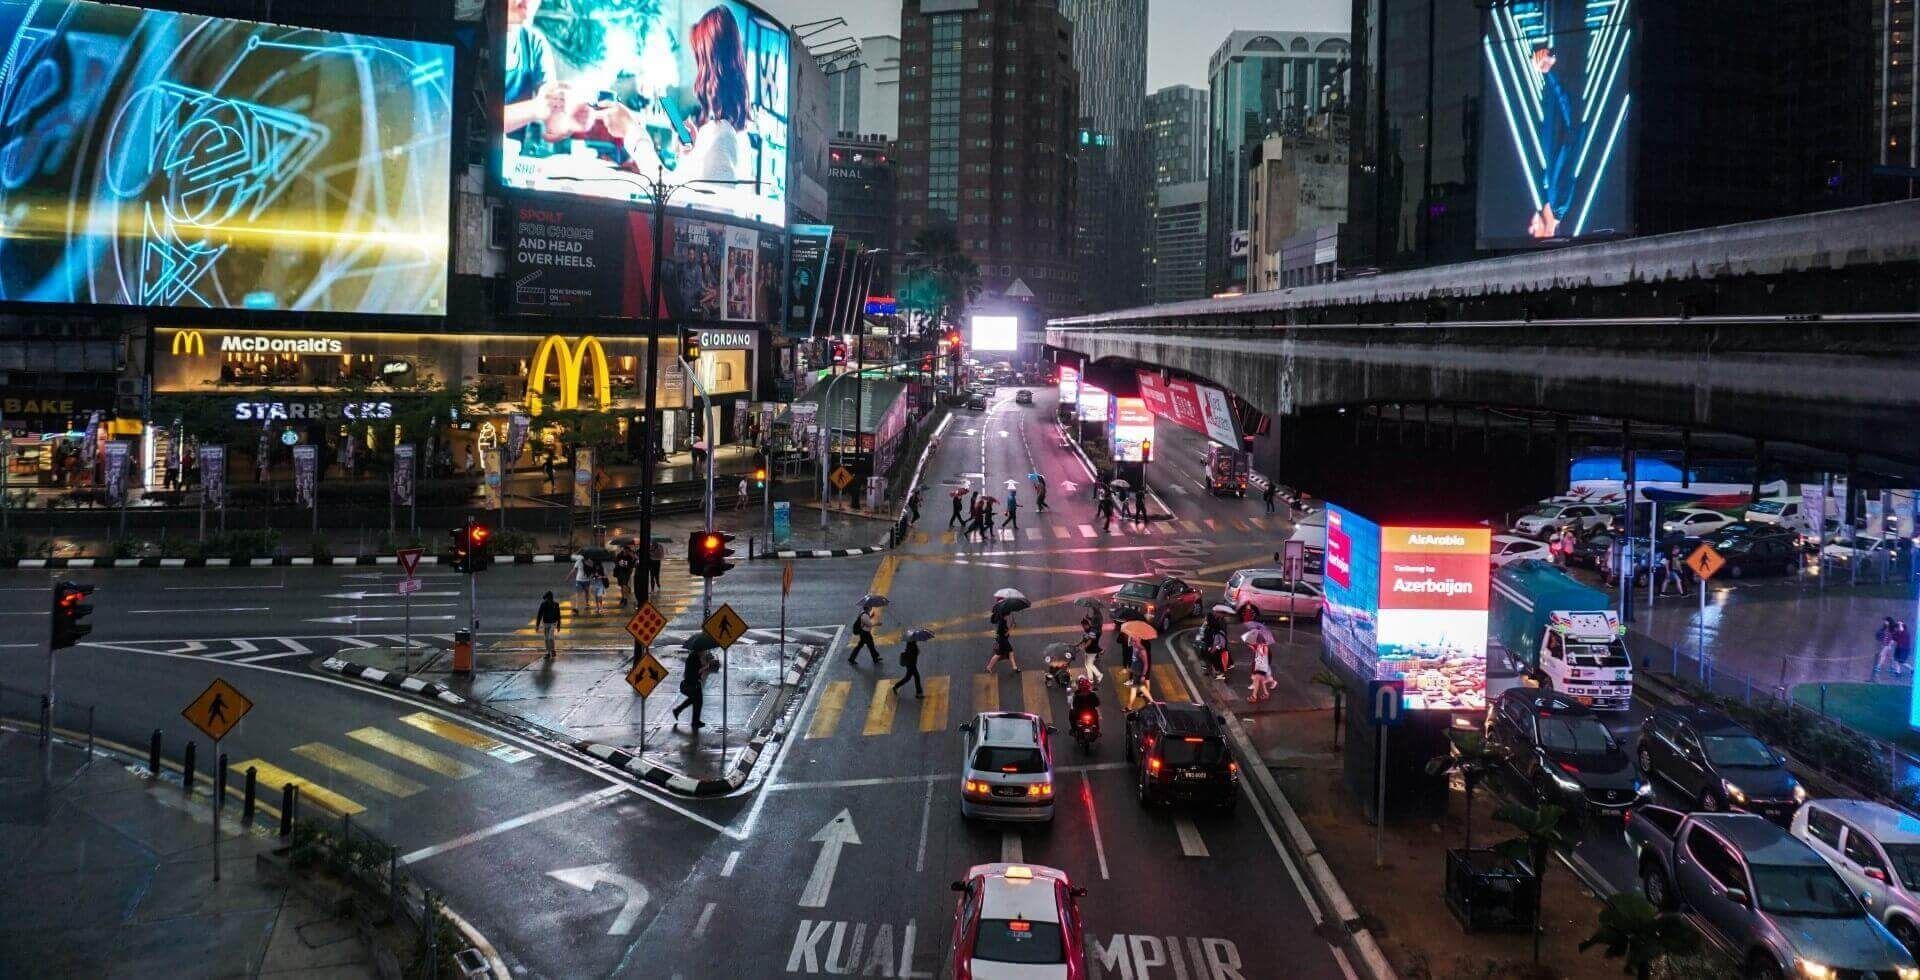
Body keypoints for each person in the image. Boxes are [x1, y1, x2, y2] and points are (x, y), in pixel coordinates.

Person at [683, 7, 753, 181]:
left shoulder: (721, 138)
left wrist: (634, 134)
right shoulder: (727, 135)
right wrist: (694, 151)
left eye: (699, 59)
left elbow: (668, 197)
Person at [1529, 43, 1580, 240]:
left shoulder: (1549, 198)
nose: (1531, 229)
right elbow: (1569, 144)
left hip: (1559, 102)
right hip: (1566, 108)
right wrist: (1551, 72)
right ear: (1550, 233)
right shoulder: (1559, 202)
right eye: (1536, 234)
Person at [671, 651, 712, 730]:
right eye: (704, 650)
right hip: (692, 683)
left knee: (695, 700)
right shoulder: (693, 658)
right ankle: (694, 721)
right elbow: (696, 671)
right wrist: (706, 667)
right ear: (700, 649)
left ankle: (679, 712)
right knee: (697, 701)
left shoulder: (695, 656)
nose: (705, 652)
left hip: (694, 682)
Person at [533, 591, 562, 660]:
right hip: (545, 624)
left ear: (549, 598)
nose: (545, 600)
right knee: (546, 639)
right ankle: (548, 652)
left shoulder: (556, 604)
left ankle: (553, 650)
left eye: (546, 598)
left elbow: (558, 615)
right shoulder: (543, 604)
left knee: (550, 638)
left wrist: (558, 625)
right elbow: (539, 614)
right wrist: (537, 625)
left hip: (553, 623)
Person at [613, 544, 638, 609]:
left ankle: (625, 599)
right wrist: (619, 562)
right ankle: (623, 597)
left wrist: (632, 558)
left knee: (624, 585)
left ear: (628, 550)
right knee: (621, 586)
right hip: (620, 572)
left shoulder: (630, 556)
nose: (625, 551)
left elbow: (633, 563)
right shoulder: (620, 555)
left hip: (626, 572)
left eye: (627, 550)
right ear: (623, 550)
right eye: (625, 550)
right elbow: (615, 561)